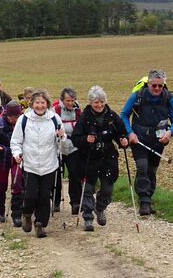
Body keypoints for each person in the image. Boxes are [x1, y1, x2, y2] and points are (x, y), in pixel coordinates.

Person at [120, 69, 173, 216]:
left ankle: (148, 197)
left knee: (151, 170)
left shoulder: (168, 98)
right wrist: (130, 133)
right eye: (154, 85)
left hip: (158, 140)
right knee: (142, 167)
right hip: (138, 139)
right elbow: (124, 114)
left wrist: (170, 132)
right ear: (148, 84)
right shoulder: (137, 96)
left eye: (160, 86)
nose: (157, 89)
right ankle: (144, 201)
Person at [71, 86, 128, 232]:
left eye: (101, 101)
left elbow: (121, 132)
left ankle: (100, 207)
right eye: (96, 102)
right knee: (88, 188)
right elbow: (75, 139)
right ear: (90, 102)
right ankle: (88, 217)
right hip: (88, 157)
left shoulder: (112, 116)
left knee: (108, 188)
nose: (99, 105)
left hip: (108, 156)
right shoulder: (85, 117)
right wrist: (86, 139)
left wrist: (123, 140)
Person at [10, 89, 65, 238]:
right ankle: (27, 214)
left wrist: (62, 136)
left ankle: (40, 224)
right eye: (37, 103)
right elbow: (16, 141)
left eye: (42, 103)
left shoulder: (55, 119)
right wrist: (17, 154)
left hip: (49, 164)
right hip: (30, 164)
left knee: (44, 196)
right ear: (32, 104)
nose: (40, 105)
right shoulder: (24, 119)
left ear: (47, 104)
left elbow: (62, 141)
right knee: (31, 195)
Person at [0, 101, 23, 225]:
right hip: (2, 157)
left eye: (17, 117)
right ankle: (0, 211)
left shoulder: (23, 122)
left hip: (17, 157)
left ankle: (17, 214)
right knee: (0, 185)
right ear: (7, 115)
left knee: (17, 184)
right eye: (12, 117)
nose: (14, 120)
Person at [52, 87, 82, 215]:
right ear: (62, 100)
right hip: (58, 146)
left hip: (73, 146)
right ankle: (56, 200)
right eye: (68, 100)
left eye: (72, 100)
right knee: (56, 174)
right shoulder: (55, 110)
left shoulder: (78, 110)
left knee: (75, 173)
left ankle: (75, 202)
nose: (70, 103)